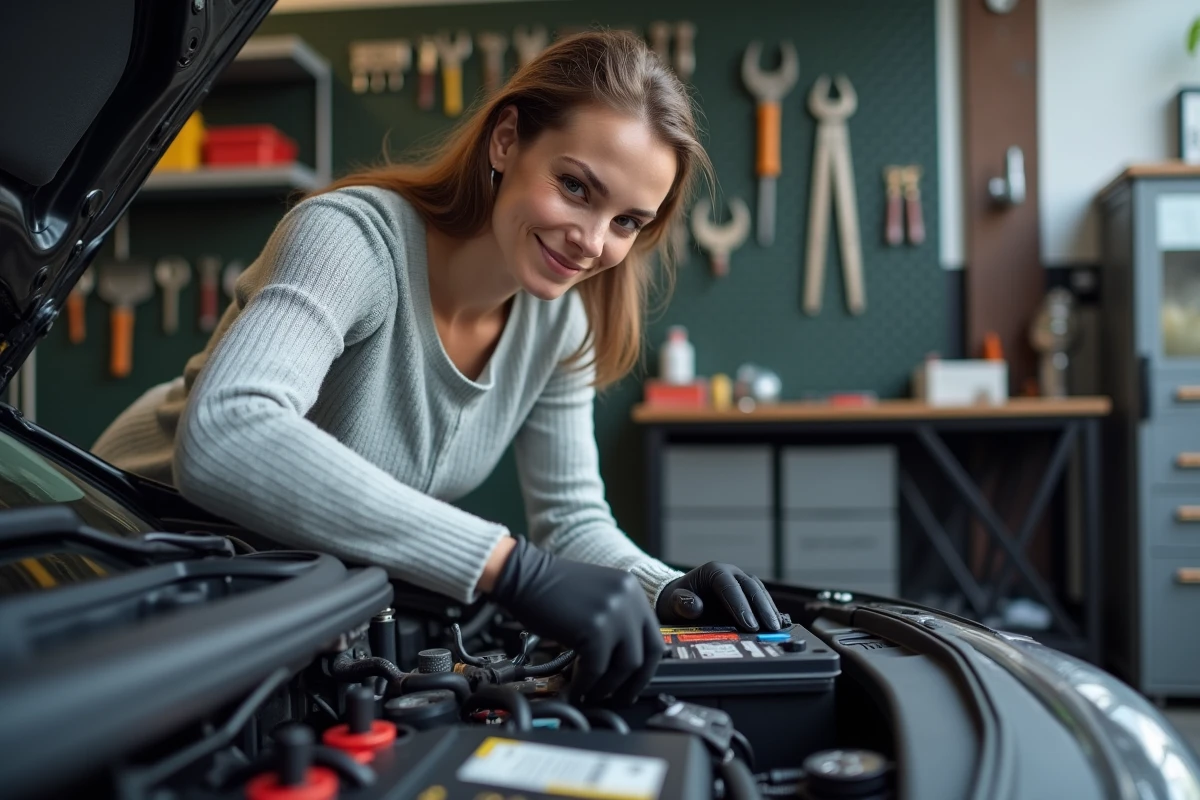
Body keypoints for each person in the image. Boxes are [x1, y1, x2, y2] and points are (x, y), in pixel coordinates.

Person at [92, 30, 782, 705]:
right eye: (575, 187)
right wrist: (509, 568)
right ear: (506, 140)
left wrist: (669, 591)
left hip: (271, 602)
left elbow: (570, 521)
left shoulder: (558, 325)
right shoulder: (351, 239)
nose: (593, 243)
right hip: (119, 554)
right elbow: (226, 435)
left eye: (628, 222)